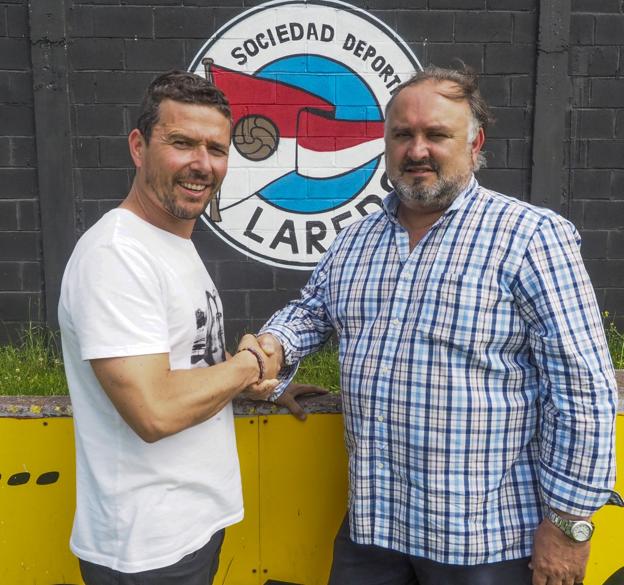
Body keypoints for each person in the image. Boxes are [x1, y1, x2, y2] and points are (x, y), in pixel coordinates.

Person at [257, 65, 621, 585]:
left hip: (483, 542)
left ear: (475, 144)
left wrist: (568, 527)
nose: (417, 150)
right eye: (403, 134)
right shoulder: (356, 240)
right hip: (374, 527)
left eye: (436, 135)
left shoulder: (529, 237)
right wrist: (272, 347)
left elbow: (583, 390)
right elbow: (313, 311)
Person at [58, 70, 282, 584]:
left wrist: (258, 389)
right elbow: (153, 409)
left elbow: (189, 367)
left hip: (190, 524)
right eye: (181, 143)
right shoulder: (117, 254)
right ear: (139, 146)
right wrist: (249, 364)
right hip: (144, 547)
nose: (202, 164)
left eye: (216, 148)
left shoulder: (171, 241)